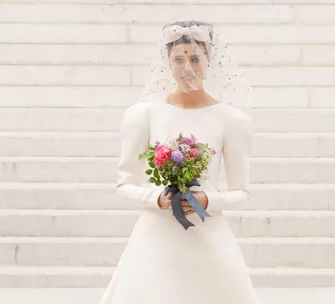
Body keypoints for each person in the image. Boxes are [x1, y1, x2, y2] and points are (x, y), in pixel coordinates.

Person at [98, 20, 261, 304]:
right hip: (155, 236)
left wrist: (207, 200)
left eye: (195, 58)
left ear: (209, 60)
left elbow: (241, 191)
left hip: (207, 233)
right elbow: (124, 183)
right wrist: (157, 198)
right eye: (178, 59)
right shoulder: (145, 114)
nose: (187, 67)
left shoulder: (231, 120)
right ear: (168, 64)